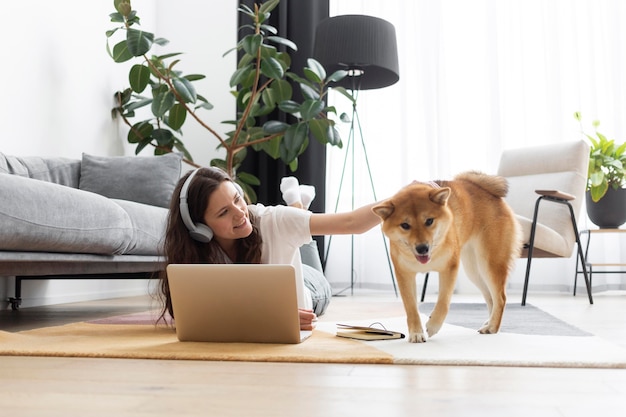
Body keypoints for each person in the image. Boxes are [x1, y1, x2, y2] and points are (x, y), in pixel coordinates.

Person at [158, 166, 383, 331]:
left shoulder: (272, 220)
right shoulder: (196, 252)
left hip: (311, 287)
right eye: (223, 212)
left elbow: (352, 223)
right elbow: (192, 317)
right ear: (198, 226)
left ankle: (297, 208)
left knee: (297, 236)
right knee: (293, 233)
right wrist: (269, 318)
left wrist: (401, 201)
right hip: (286, 244)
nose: (239, 213)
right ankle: (299, 207)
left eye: (237, 200)